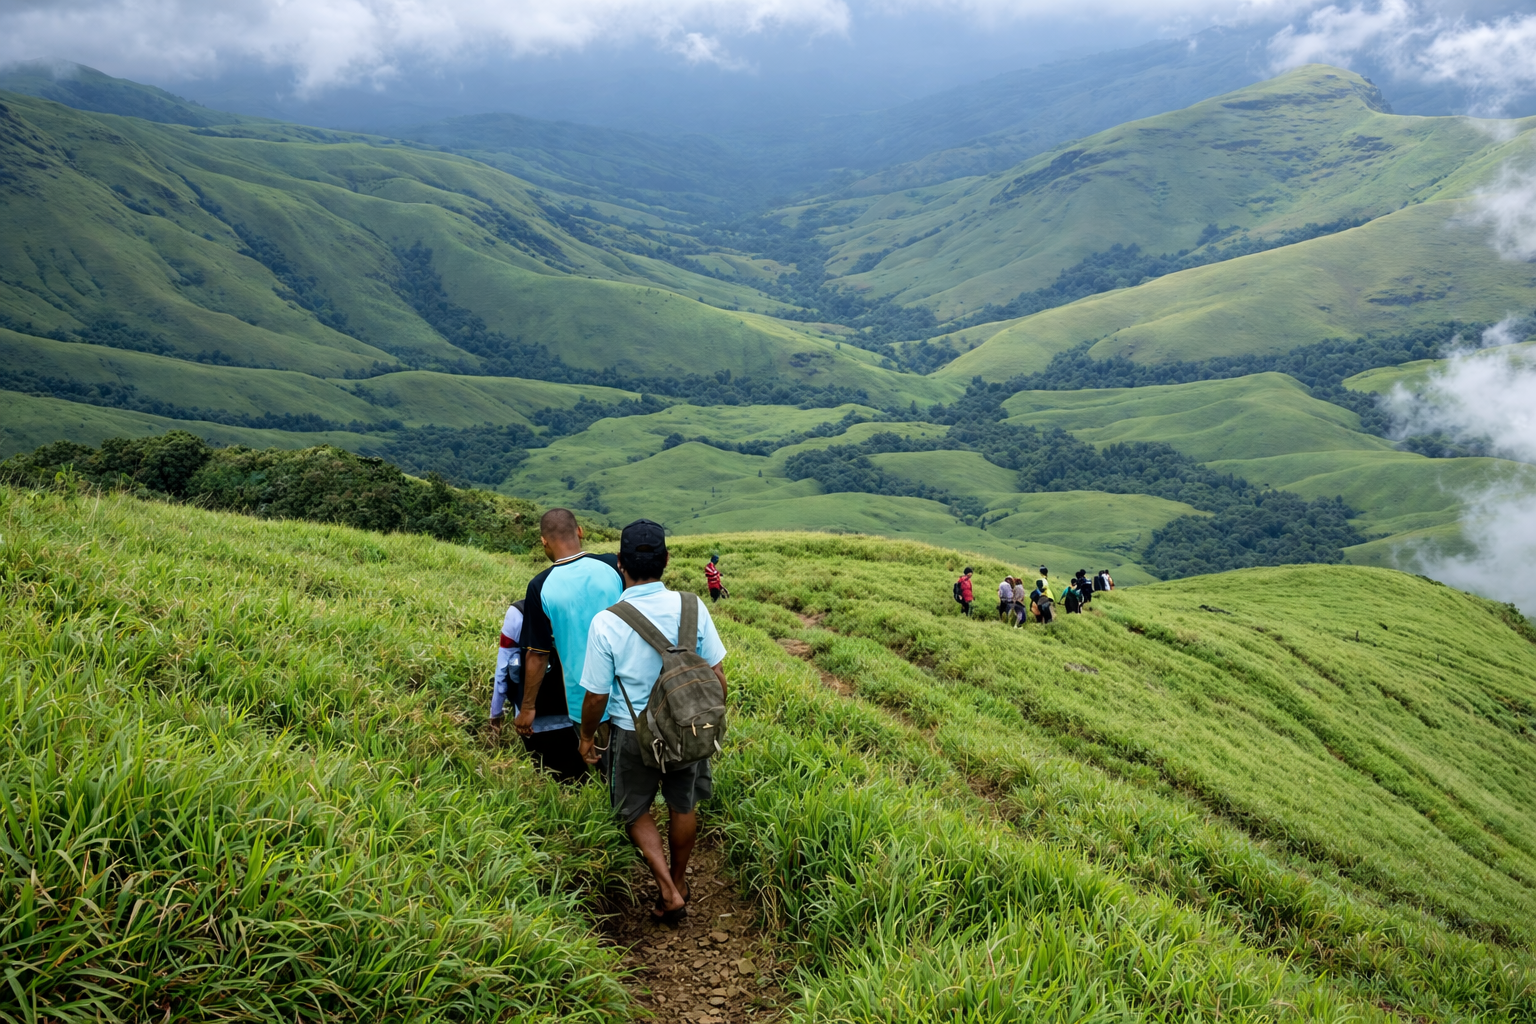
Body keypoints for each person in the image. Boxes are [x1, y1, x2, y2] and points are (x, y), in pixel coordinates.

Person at [578, 519, 728, 925]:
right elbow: (717, 677)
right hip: (688, 728)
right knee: (683, 804)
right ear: (665, 560)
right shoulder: (693, 605)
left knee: (632, 808)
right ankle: (679, 882)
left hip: (632, 732)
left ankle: (664, 886)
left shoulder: (607, 621)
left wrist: (587, 737)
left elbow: (595, 695)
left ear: (620, 563)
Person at [517, 508, 624, 783]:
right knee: (637, 767)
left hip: (585, 701)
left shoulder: (539, 587)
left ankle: (619, 818)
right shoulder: (614, 566)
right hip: (632, 690)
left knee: (606, 773)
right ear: (580, 531)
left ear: (544, 542)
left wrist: (528, 707)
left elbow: (538, 656)